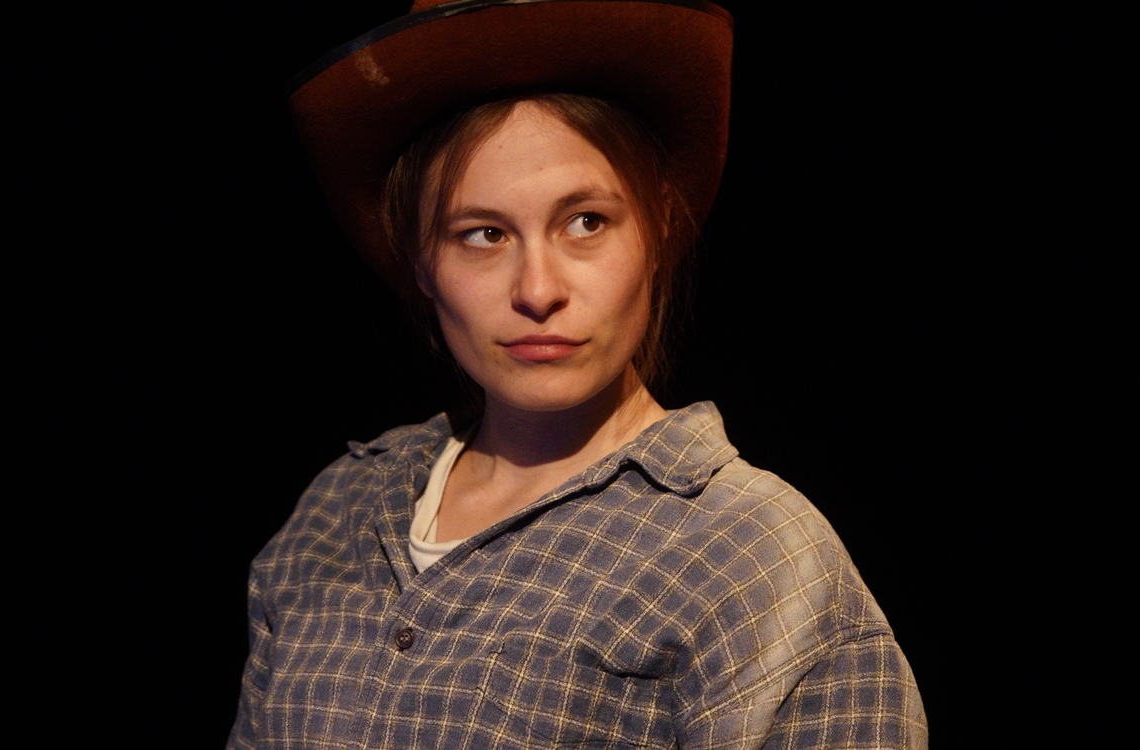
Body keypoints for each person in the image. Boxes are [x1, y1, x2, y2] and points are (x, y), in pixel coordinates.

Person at [229, 1, 927, 748]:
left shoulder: (749, 555)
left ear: (659, 226)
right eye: (484, 235)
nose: (537, 289)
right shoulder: (336, 513)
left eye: (586, 222)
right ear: (421, 262)